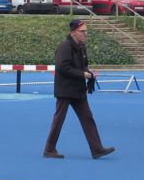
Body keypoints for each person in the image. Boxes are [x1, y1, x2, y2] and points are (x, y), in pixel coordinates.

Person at [43, 19, 115, 160]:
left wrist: (88, 72)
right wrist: (82, 74)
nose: (85, 34)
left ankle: (97, 149)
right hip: (65, 89)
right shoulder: (65, 47)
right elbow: (62, 67)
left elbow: (84, 65)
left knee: (87, 118)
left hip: (78, 90)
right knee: (59, 120)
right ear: (74, 32)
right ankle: (49, 149)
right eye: (83, 31)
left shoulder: (82, 47)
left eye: (86, 31)